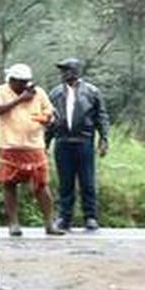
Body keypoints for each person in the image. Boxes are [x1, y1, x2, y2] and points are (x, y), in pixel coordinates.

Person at [0, 64, 64, 237]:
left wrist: (47, 118)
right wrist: (20, 100)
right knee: (9, 184)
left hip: (34, 145)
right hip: (9, 145)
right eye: (20, 82)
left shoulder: (38, 92)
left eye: (27, 82)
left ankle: (49, 223)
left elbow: (50, 113)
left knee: (41, 184)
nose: (25, 85)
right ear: (11, 80)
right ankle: (13, 223)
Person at [47, 57, 110, 232]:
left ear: (76, 71)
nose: (63, 74)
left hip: (84, 141)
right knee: (65, 182)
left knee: (87, 181)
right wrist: (44, 143)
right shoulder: (55, 93)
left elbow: (101, 117)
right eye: (62, 70)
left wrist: (104, 138)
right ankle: (64, 217)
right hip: (62, 141)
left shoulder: (92, 91)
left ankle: (90, 216)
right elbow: (49, 120)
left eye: (66, 70)